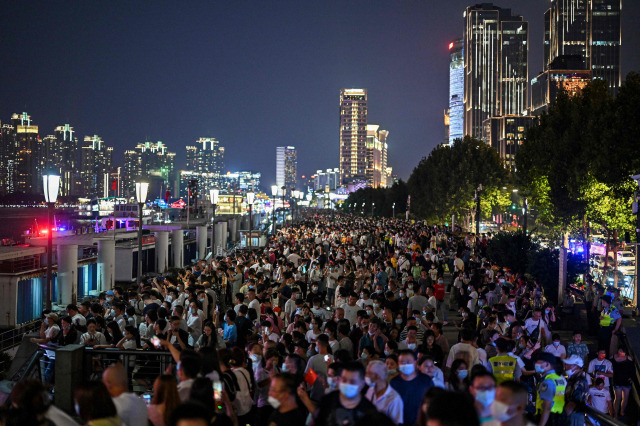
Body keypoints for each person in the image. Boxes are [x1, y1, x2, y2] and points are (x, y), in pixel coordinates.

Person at [313, 361, 379, 426]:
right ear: (339, 379)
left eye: (352, 381)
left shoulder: (369, 411)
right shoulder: (327, 401)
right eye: (344, 380)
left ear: (362, 383)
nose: (347, 384)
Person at [390, 350, 433, 426]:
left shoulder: (426, 381)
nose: (406, 364)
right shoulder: (394, 383)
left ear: (415, 362)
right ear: (398, 364)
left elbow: (432, 402)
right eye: (402, 362)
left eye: (409, 361)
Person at [364, 360, 404, 425]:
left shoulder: (394, 399)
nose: (366, 376)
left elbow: (396, 423)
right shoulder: (370, 390)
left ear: (377, 376)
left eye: (368, 373)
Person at [534, 352, 566, 426]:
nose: (536, 364)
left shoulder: (547, 381)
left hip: (548, 419)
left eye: (539, 362)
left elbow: (547, 406)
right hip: (558, 417)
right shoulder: (558, 379)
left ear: (547, 364)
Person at [561, 355, 590, 426]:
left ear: (576, 367)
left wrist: (562, 418)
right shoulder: (573, 379)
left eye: (568, 365)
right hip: (571, 414)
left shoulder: (579, 380)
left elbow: (573, 402)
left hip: (574, 415)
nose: (565, 366)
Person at [611, 347, 633, 419]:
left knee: (625, 398)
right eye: (620, 350)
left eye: (622, 351)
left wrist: (631, 377)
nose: (620, 352)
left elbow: (632, 369)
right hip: (617, 380)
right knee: (618, 397)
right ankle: (616, 413)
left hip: (626, 381)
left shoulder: (628, 358)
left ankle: (622, 411)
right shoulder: (613, 357)